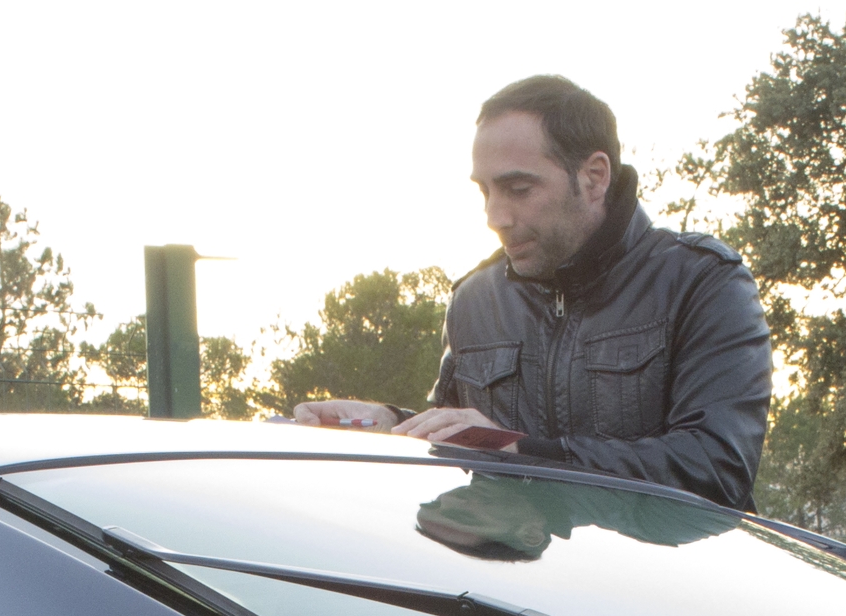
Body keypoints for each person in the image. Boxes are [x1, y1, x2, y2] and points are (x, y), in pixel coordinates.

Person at [292, 76, 772, 510]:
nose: (494, 217)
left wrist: (524, 452)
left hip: (662, 581)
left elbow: (717, 470)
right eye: (485, 192)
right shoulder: (473, 301)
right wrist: (391, 426)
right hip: (513, 581)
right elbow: (464, 442)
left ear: (594, 176)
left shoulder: (703, 281)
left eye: (518, 189)